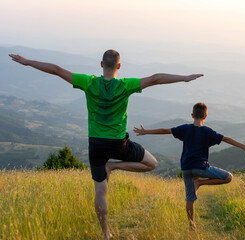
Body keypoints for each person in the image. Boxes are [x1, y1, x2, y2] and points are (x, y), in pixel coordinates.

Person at [9, 50, 203, 239]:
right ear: (119, 66)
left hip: (96, 144)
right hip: (119, 143)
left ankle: (106, 234)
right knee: (152, 164)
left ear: (101, 65)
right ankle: (114, 166)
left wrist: (28, 62)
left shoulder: (89, 82)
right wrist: (184, 78)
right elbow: (155, 78)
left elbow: (57, 69)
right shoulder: (125, 85)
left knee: (100, 191)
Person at [133, 102, 245, 231]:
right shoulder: (207, 132)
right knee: (228, 177)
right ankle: (200, 183)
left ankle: (192, 226)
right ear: (205, 117)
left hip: (186, 169)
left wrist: (146, 131)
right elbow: (226, 139)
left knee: (190, 198)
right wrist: (243, 146)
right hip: (200, 168)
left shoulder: (185, 128)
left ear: (192, 115)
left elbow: (165, 130)